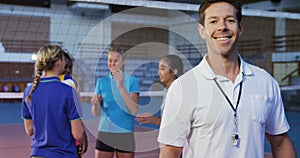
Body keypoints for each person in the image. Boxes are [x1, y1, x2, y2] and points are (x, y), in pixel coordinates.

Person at [158, 0, 297, 158]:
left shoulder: (266, 82)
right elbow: (170, 151)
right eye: (213, 21)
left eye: (230, 20)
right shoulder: (183, 87)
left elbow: (280, 142)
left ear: (240, 28)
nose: (222, 27)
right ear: (202, 31)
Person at [21, 45, 85, 158]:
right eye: (64, 59)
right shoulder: (68, 91)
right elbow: (78, 134)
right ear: (59, 62)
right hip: (63, 154)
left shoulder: (29, 91)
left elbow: (29, 130)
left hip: (37, 154)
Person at [91, 47, 140, 158]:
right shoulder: (101, 82)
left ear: (123, 61)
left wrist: (121, 86)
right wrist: (96, 104)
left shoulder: (132, 81)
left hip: (125, 133)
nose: (112, 63)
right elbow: (95, 113)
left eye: (116, 60)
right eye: (110, 60)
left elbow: (134, 110)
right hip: (105, 132)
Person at [136, 55, 183, 126]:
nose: (159, 72)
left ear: (174, 72)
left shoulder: (179, 92)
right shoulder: (166, 90)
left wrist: (155, 120)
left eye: (162, 69)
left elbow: (178, 124)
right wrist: (152, 118)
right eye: (159, 69)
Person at [59, 50, 88, 158]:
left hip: (72, 135)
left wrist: (82, 133)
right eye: (66, 66)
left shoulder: (72, 82)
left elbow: (76, 110)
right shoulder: (53, 83)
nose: (68, 70)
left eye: (70, 67)